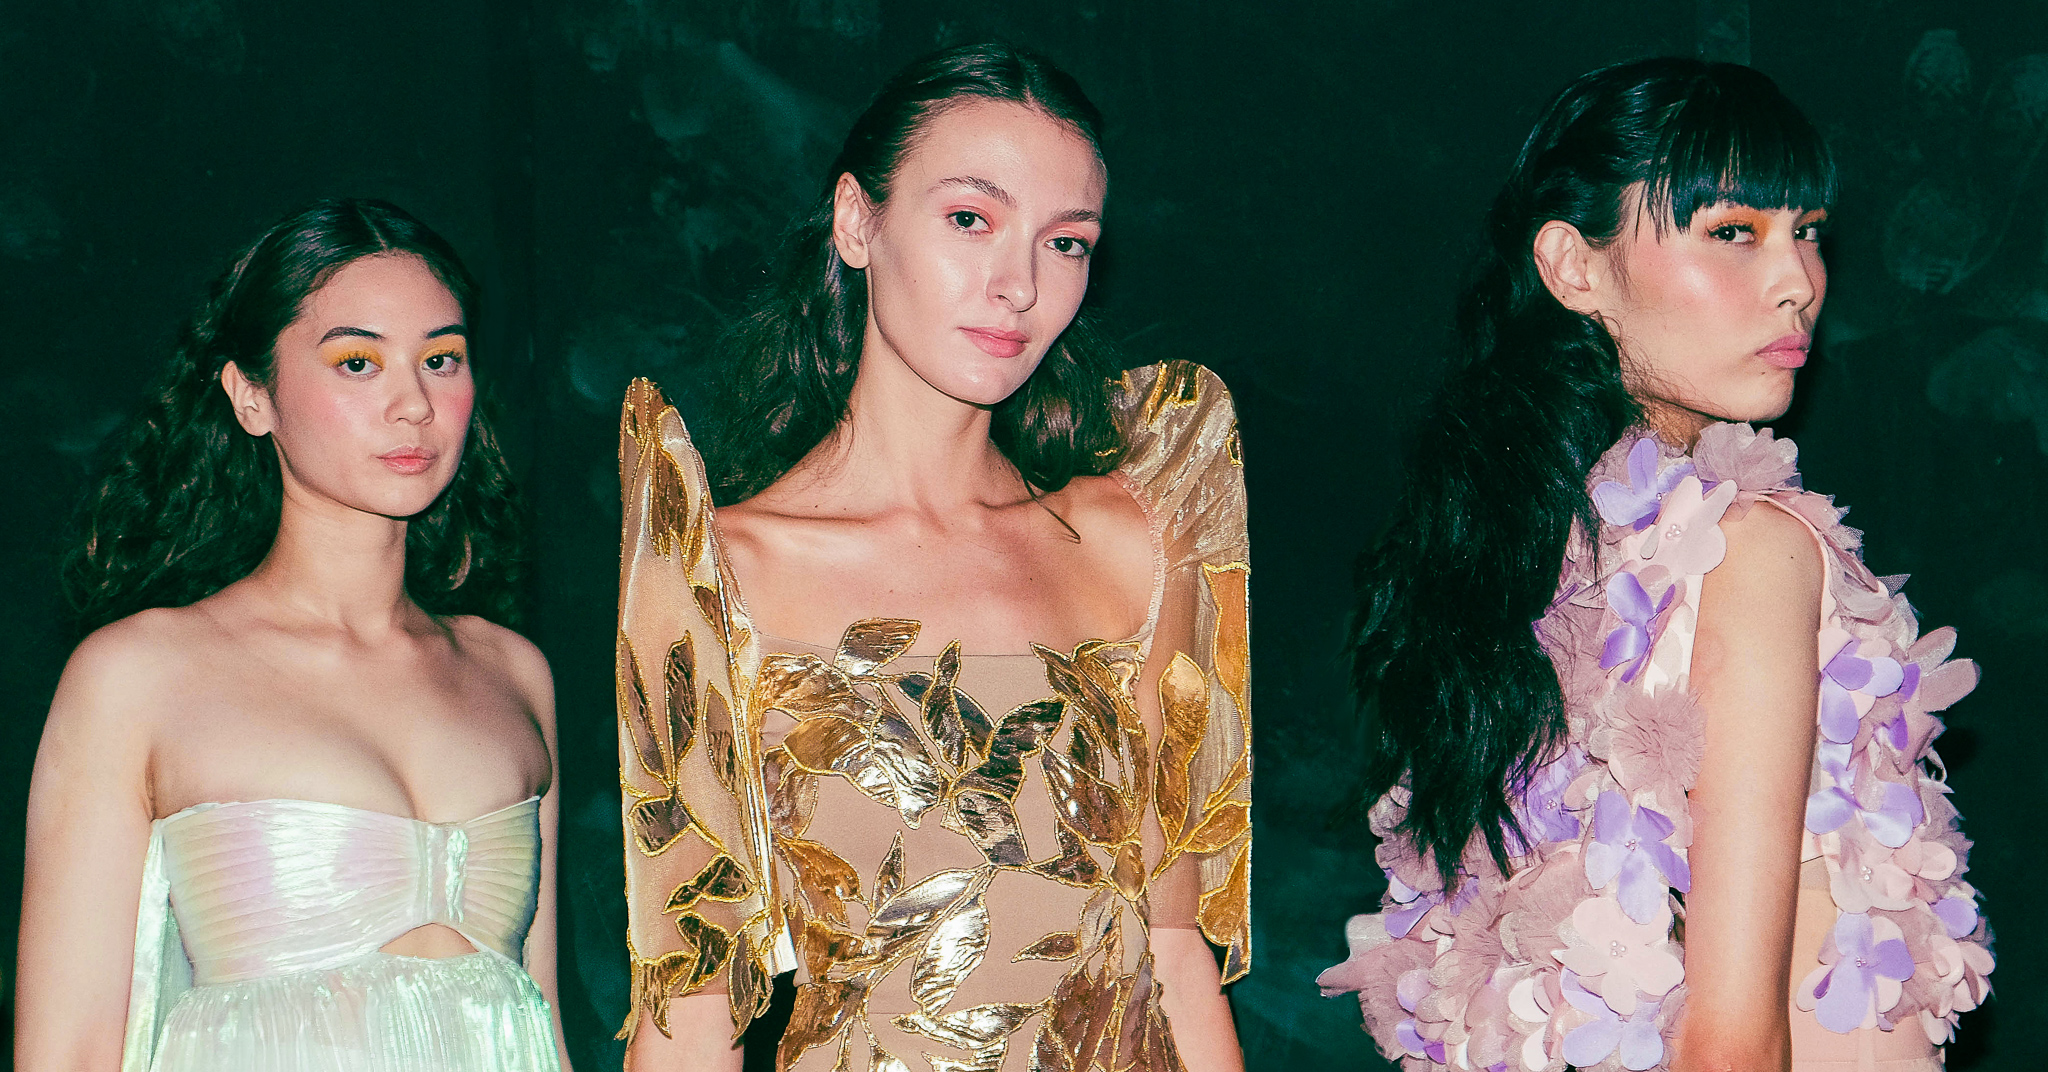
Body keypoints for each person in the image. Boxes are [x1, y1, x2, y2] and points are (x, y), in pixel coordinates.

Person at [1317, 59, 1992, 1072]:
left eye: (1807, 230)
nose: (1798, 282)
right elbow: (1729, 1045)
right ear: (1573, 266)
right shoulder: (1748, 550)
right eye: (1733, 231)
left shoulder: (1526, 561)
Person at [615, 42, 1252, 1072]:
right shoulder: (724, 570)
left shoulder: (1136, 533)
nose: (1018, 284)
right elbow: (691, 1001)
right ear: (856, 222)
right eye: (970, 219)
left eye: (1066, 242)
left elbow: (1174, 950)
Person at [18, 199, 569, 1071]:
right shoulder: (139, 674)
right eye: (358, 362)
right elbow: (69, 1050)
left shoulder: (512, 672)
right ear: (251, 396)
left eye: (441, 359)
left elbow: (541, 1025)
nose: (414, 404)